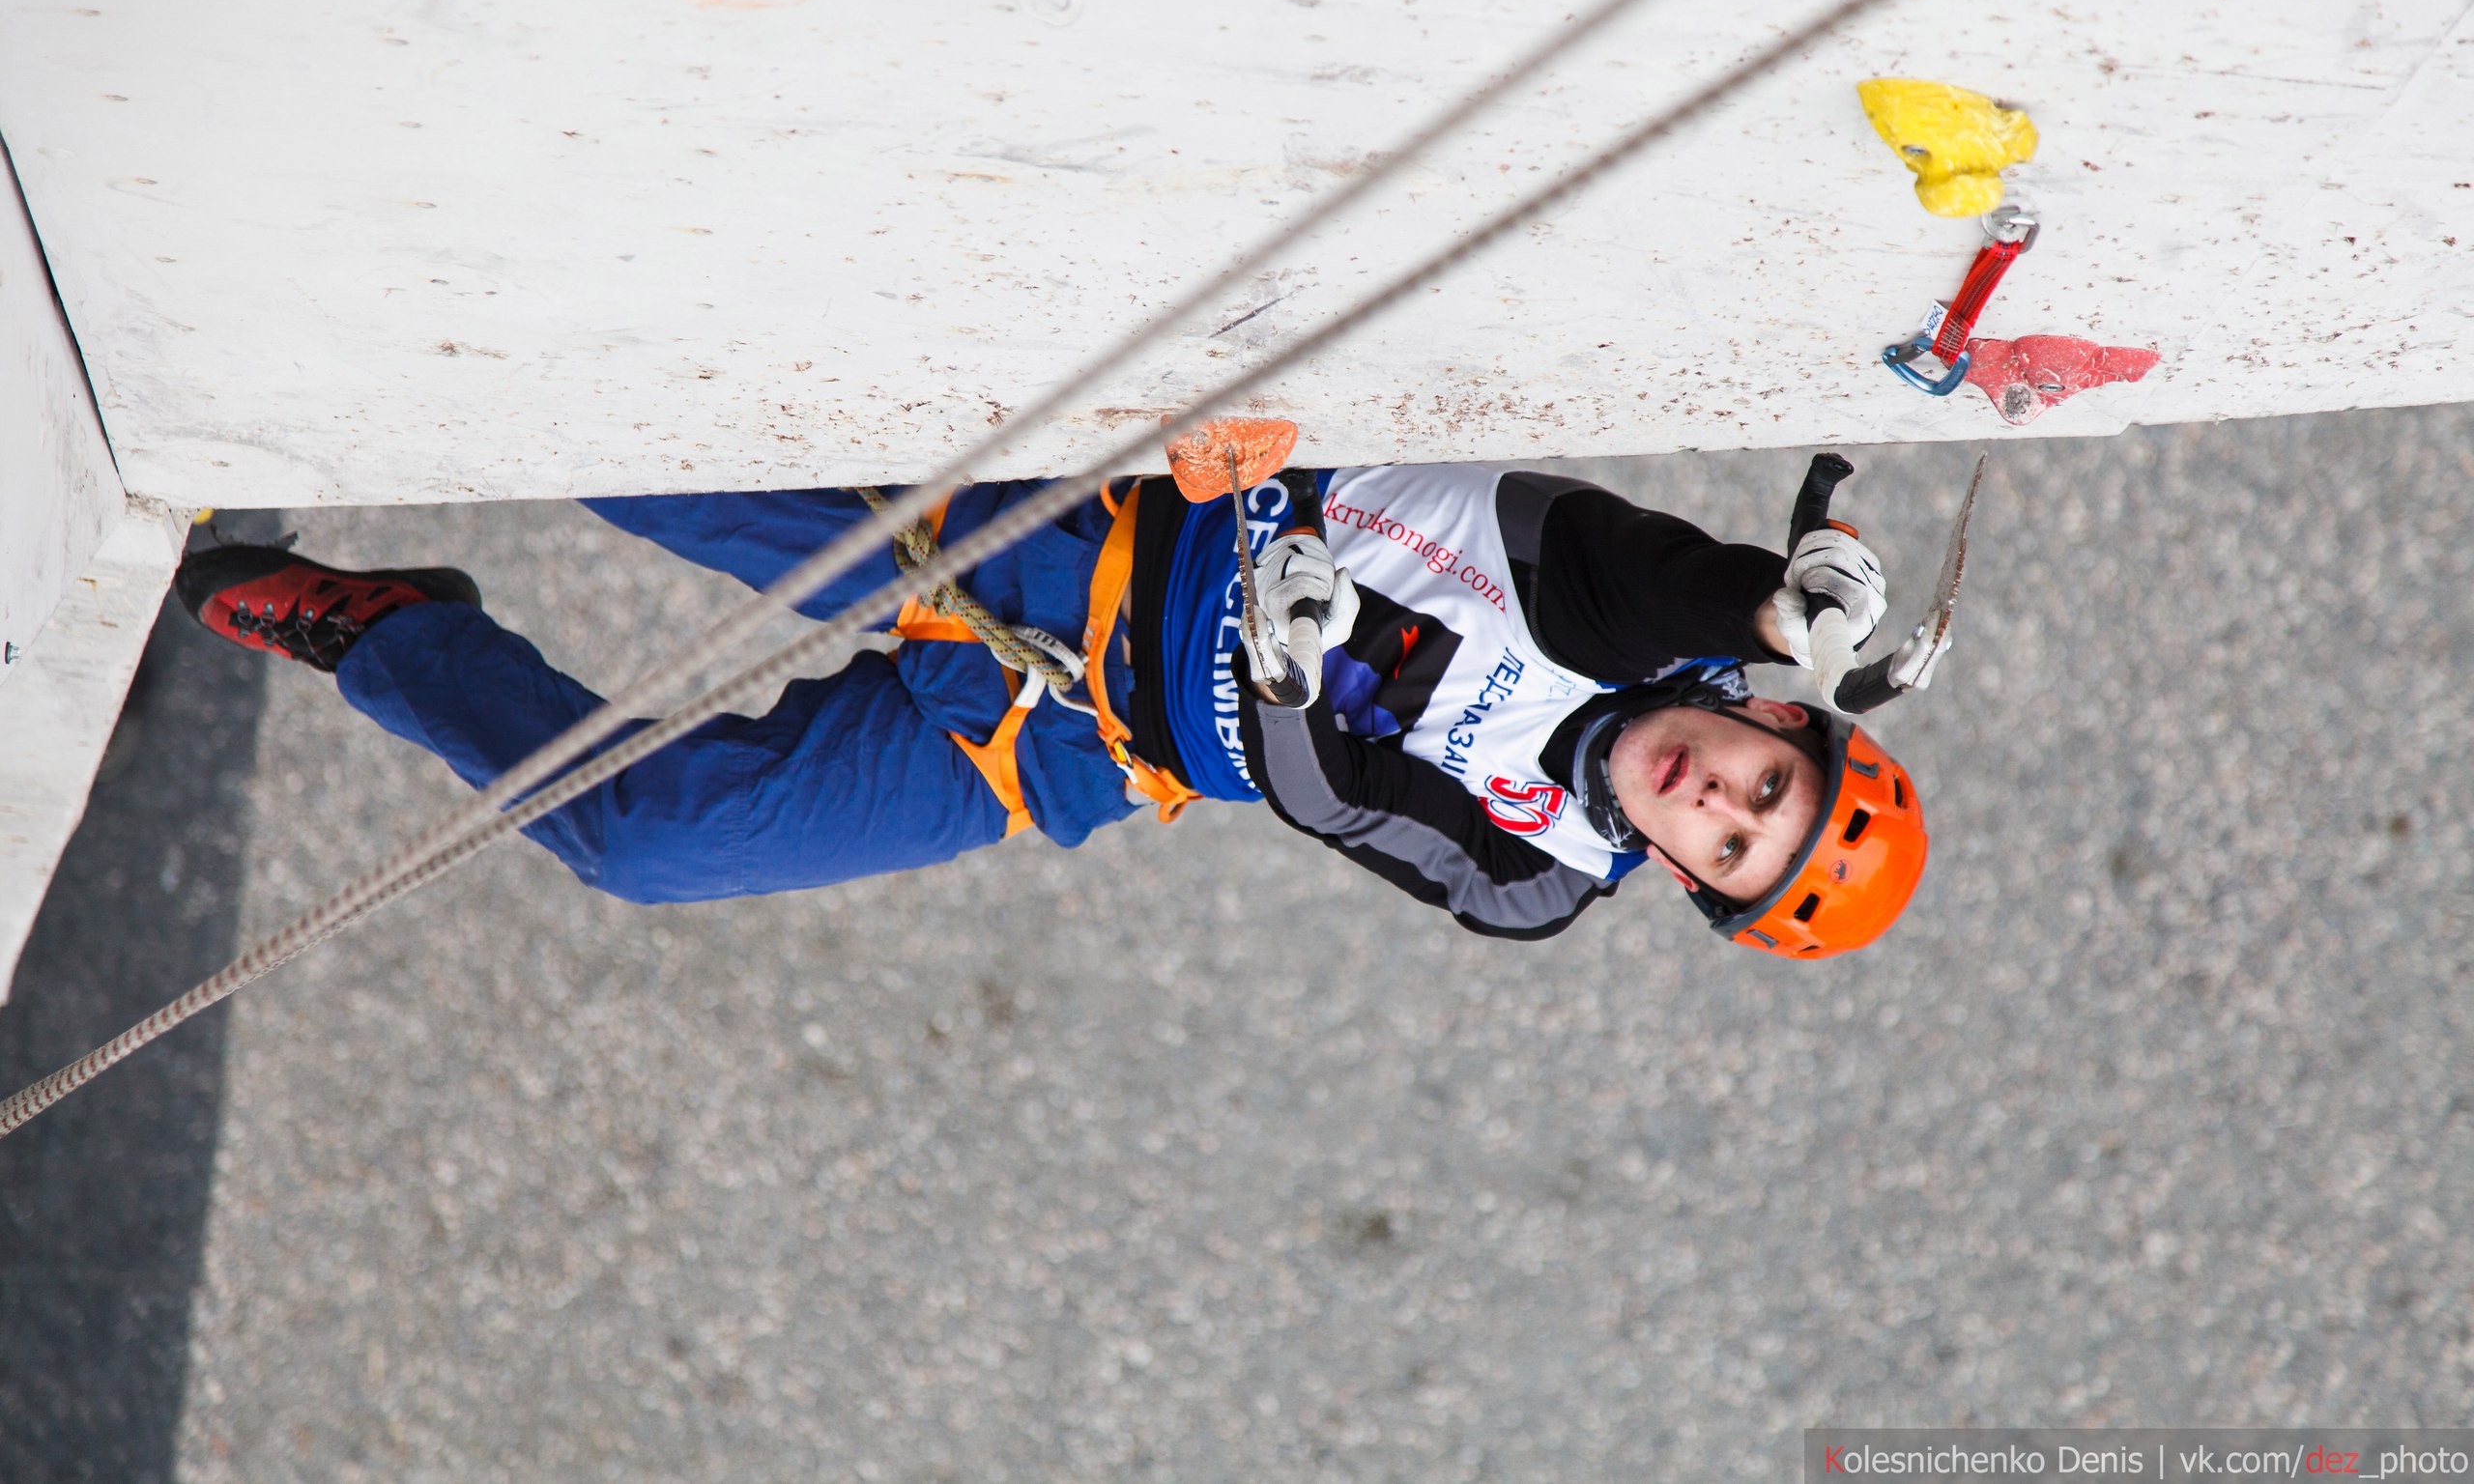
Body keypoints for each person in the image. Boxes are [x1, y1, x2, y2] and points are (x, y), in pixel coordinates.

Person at [173, 460, 1928, 956]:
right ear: (1786, 725)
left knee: (650, 846)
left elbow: (1341, 800)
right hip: (1052, 544)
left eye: (1732, 846)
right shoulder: (1648, 629)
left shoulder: (1542, 878)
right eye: (1767, 782)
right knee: (626, 460)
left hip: (1069, 744)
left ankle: (390, 637)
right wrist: (1774, 599)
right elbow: (1602, 557)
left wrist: (1294, 672)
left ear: (1693, 881)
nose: (1719, 797)